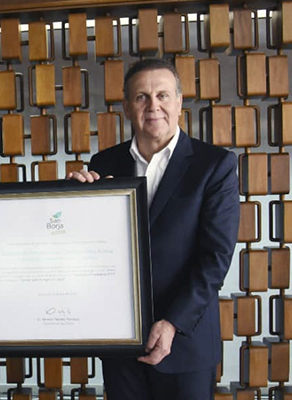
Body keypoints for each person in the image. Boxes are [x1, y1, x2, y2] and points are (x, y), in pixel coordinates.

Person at [68, 58, 240, 400]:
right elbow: (90, 249)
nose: (153, 106)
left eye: (162, 95)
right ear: (126, 107)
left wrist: (173, 322)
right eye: (141, 97)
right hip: (121, 340)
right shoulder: (103, 164)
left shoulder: (214, 165)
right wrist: (75, 201)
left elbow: (215, 258)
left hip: (185, 342)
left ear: (179, 102)